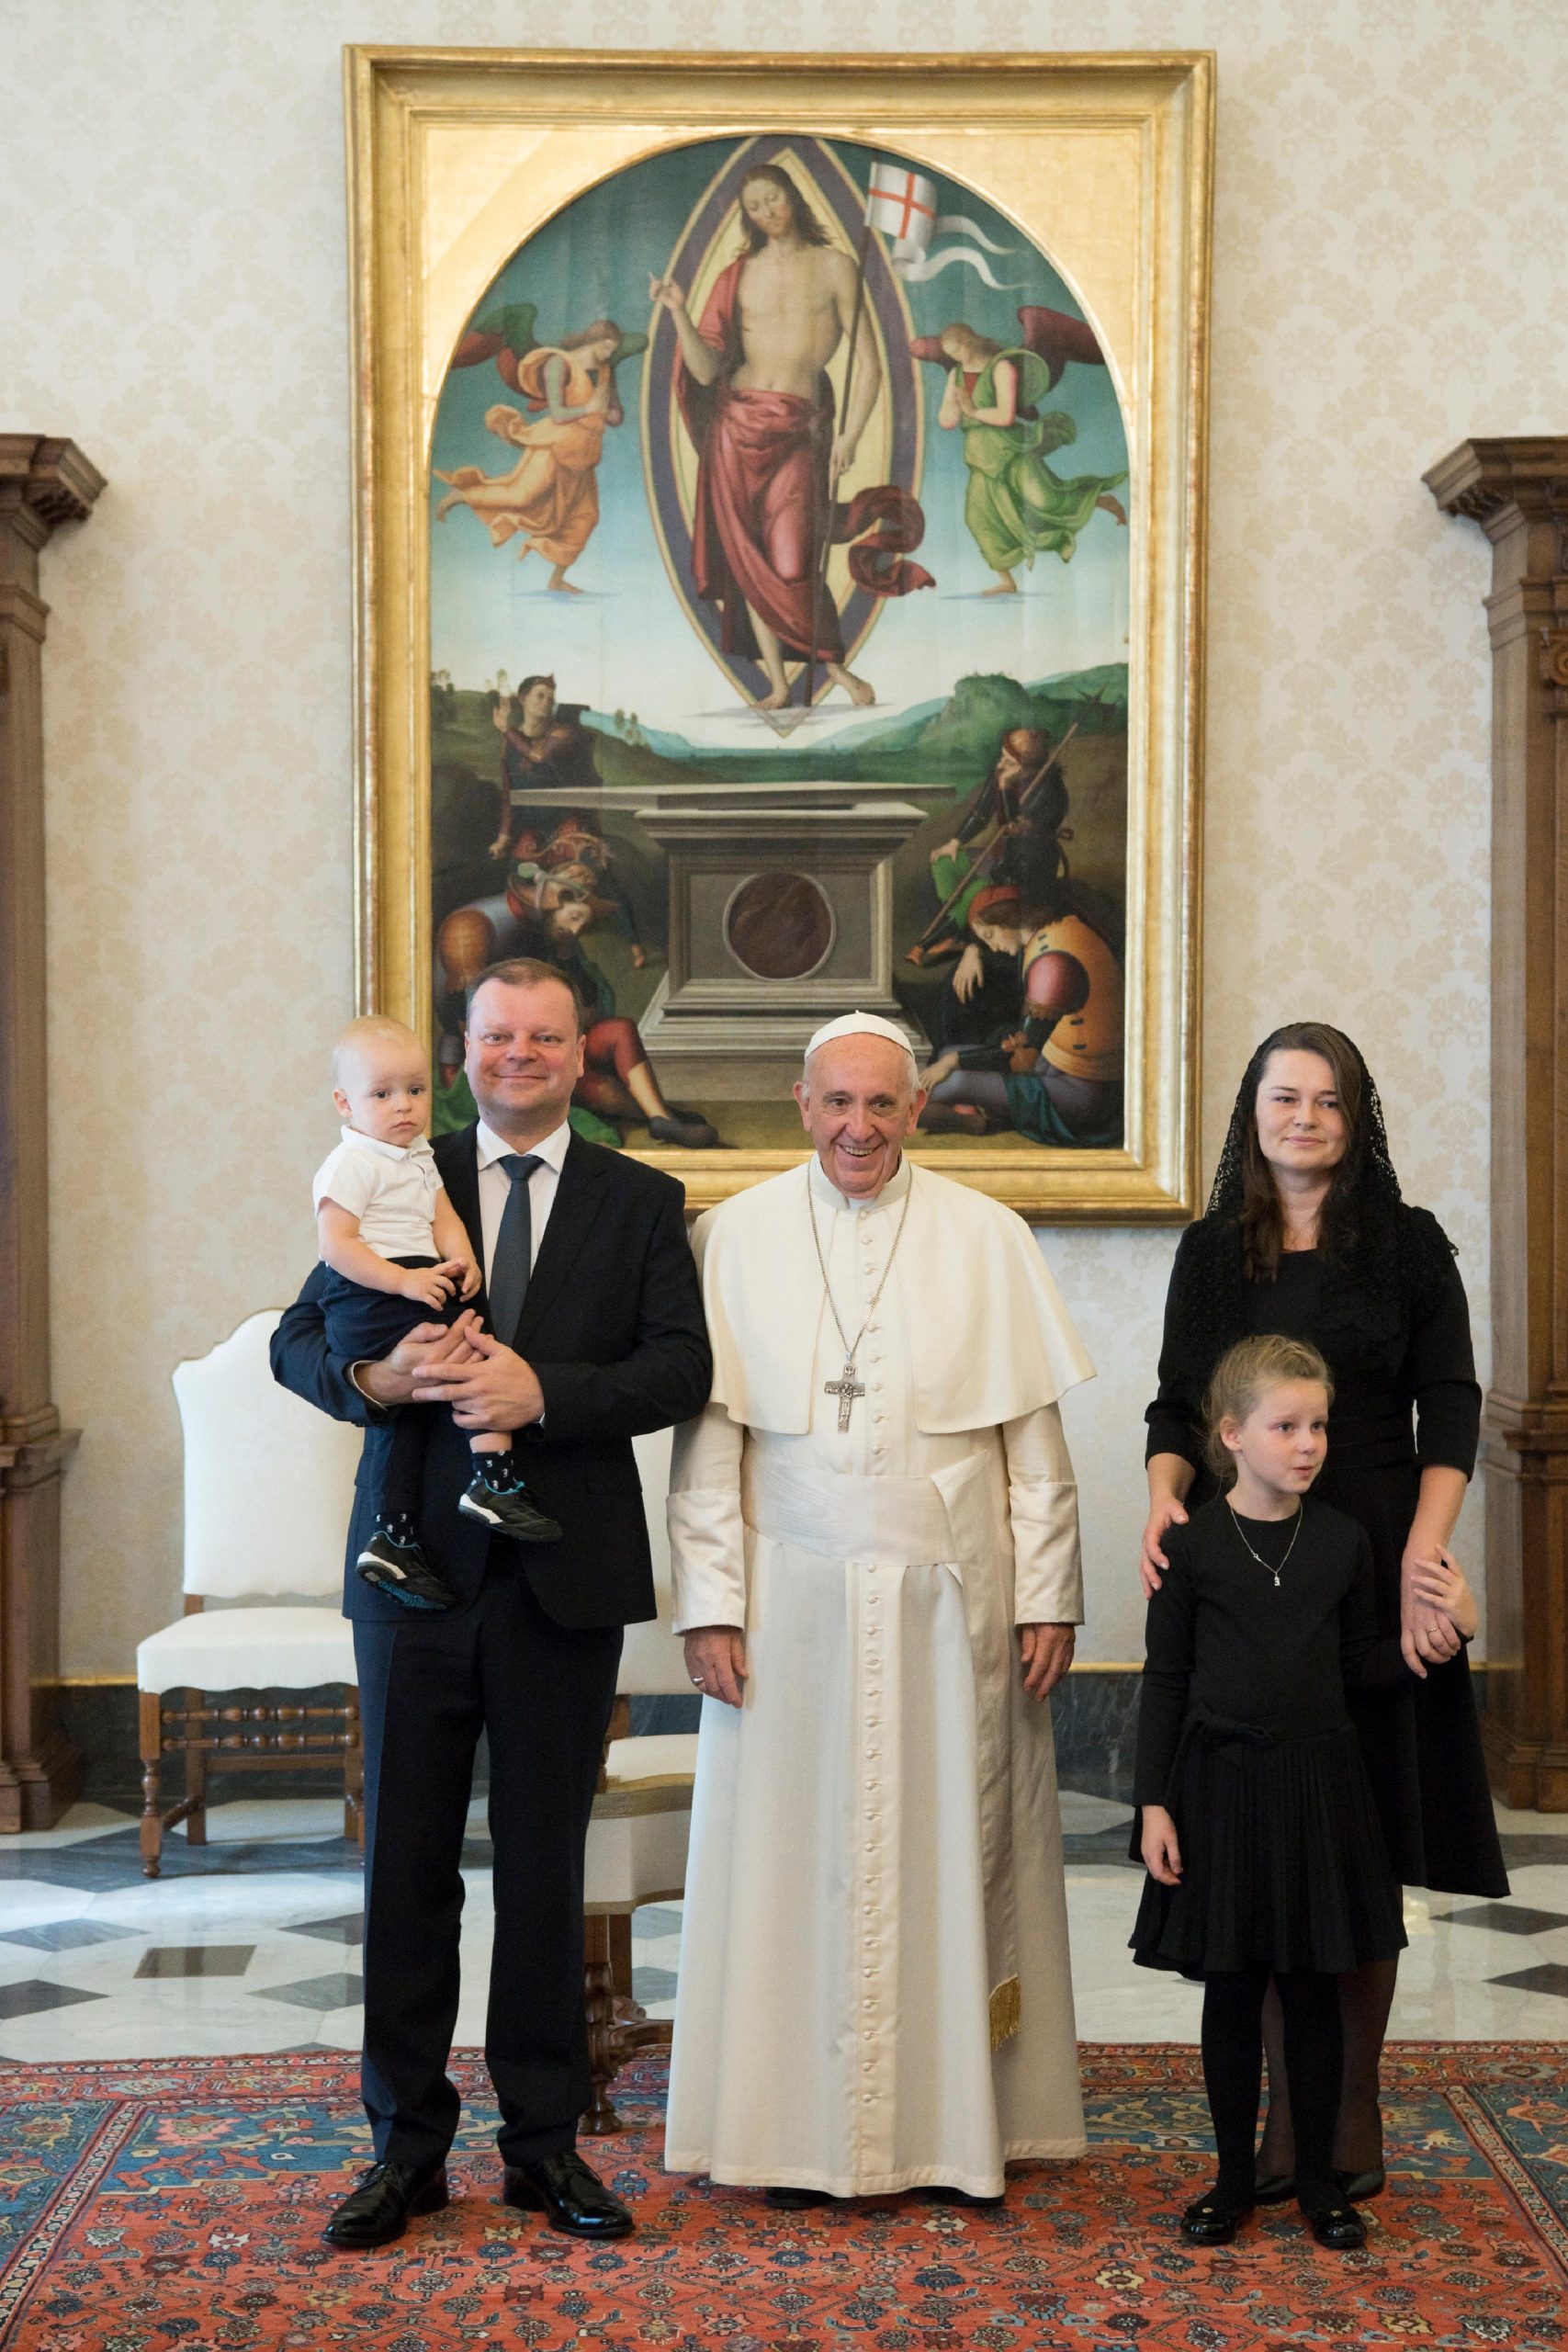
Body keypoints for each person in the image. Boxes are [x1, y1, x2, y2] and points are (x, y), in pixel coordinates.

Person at [270, 959, 712, 2250]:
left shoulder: (641, 1199)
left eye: (542, 1037)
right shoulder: (391, 1157)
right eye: (493, 1036)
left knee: (539, 1874)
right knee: (403, 1868)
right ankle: (405, 2149)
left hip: (560, 1580)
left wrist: (545, 1397)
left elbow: (679, 1369)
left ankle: (542, 2148)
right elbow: (295, 1340)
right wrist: (377, 1373)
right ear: (461, 1052)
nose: (515, 1055)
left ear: (581, 1053)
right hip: (410, 1587)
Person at [664, 1011, 1093, 2202]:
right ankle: (779, 2126)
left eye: (880, 1104)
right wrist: (707, 1602)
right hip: (786, 1600)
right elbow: (709, 1442)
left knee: (948, 1852)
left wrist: (1048, 1592)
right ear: (802, 1107)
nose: (857, 1126)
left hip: (951, 1605)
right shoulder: (733, 1236)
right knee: (789, 1860)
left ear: (913, 1109)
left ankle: (953, 2128)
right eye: (835, 1103)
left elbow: (1034, 1446)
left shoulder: (987, 1236)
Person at [1141, 1021, 1508, 2202]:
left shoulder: (1407, 1247)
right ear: (1252, 1111)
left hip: (1376, 1550)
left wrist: (1423, 1557)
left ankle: (1346, 2113)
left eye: (1329, 1101)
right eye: (1283, 1097)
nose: (1304, 1117)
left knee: (1366, 1840)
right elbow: (1172, 1407)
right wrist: (1162, 1501)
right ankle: (1276, 2124)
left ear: (1358, 1121)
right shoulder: (1209, 1254)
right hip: (1247, 1562)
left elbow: (1450, 1411)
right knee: (1264, 1845)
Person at [1131, 1334, 1479, 2252]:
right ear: (1233, 1434)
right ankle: (1233, 2181)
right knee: (1234, 1992)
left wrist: (1446, 1630)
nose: (1308, 1442)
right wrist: (1152, 1803)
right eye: (1287, 1425)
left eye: (1318, 1424)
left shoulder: (1343, 1541)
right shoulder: (1194, 1546)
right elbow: (1165, 1678)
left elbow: (1363, 1664)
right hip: (1220, 1790)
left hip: (1321, 1790)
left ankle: (1320, 2180)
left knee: (1318, 1989)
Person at [650, 164, 931, 712]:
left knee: (791, 561)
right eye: (754, 207)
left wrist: (850, 435)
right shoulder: (736, 275)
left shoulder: (835, 267)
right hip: (735, 429)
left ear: (794, 198)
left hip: (798, 433)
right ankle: (780, 684)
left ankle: (835, 669)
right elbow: (706, 372)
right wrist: (680, 312)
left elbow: (871, 366)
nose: (766, 213)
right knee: (749, 561)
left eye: (772, 199)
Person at [314, 1015, 560, 1611]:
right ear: (345, 1103)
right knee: (439, 1377)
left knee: (469, 1359)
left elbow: (441, 1212)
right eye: (382, 1094)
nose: (403, 1107)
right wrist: (402, 1281)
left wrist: (463, 1259)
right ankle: (482, 1485)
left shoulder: (417, 1155)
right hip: (373, 1294)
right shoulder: (351, 1163)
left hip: (422, 1279)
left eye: (416, 1090)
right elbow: (335, 1247)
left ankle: (459, 1498)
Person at [434, 322, 634, 593]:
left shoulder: (605, 372)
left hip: (583, 454)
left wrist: (605, 411)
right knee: (522, 495)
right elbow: (558, 414)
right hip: (554, 444)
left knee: (584, 518)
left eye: (613, 350)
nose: (608, 355)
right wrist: (590, 408)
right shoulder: (559, 365)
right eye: (606, 347)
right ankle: (461, 495)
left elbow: (616, 415)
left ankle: (556, 580)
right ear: (592, 340)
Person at [932, 322, 1127, 594]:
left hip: (1012, 451)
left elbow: (1005, 416)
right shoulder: (955, 375)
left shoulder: (1001, 369)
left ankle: (1100, 500)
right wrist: (952, 412)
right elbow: (945, 417)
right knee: (978, 518)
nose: (955, 358)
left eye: (956, 351)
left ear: (968, 343)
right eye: (951, 355)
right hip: (980, 456)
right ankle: (1007, 581)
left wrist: (972, 411)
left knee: (1045, 499)